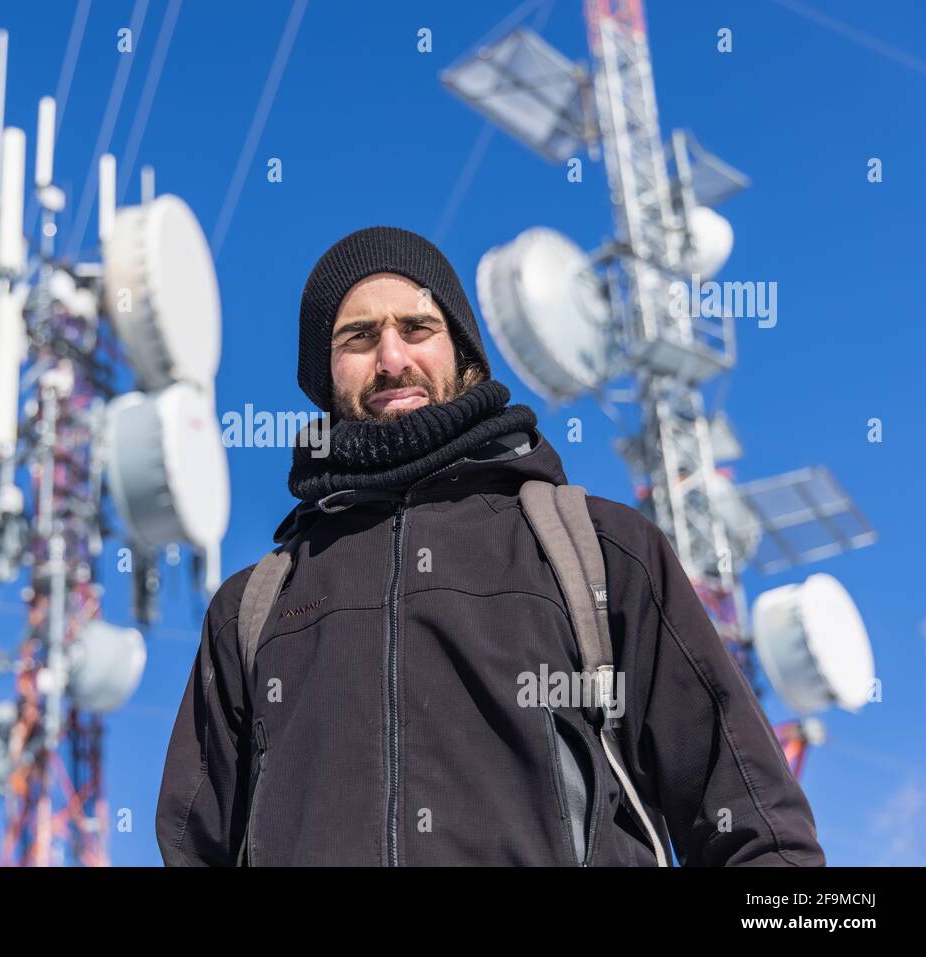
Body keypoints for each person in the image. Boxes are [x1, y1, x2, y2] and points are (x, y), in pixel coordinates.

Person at [154, 225, 825, 866]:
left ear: (464, 355)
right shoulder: (253, 608)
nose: (392, 359)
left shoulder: (598, 552)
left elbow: (756, 825)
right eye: (358, 337)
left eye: (418, 328)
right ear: (325, 376)